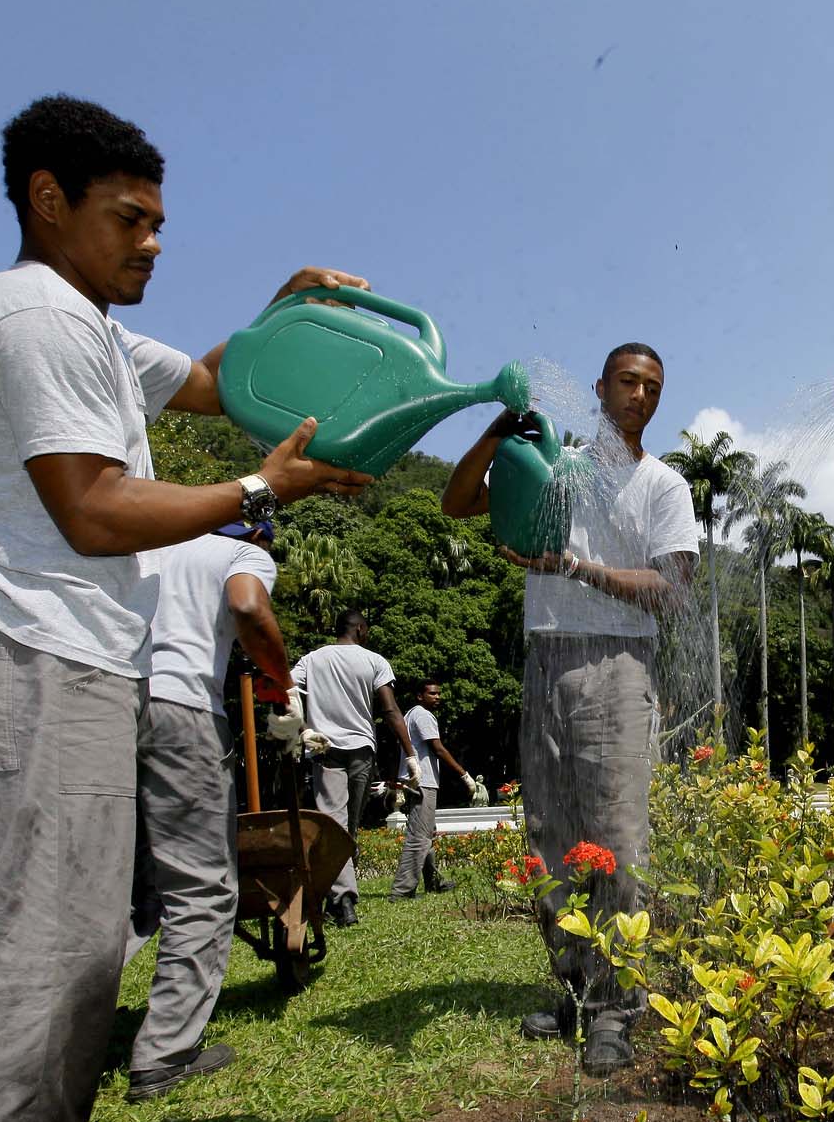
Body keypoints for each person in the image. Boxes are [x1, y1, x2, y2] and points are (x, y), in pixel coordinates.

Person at [0, 94, 371, 1122]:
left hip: (78, 665)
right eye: (130, 219)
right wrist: (259, 493)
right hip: (16, 659)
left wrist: (283, 316)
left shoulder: (100, 332)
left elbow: (219, 384)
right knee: (27, 964)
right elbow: (95, 508)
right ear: (46, 200)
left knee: (81, 956)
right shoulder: (33, 315)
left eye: (161, 223)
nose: (152, 243)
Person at [441, 344, 699, 1074]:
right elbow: (458, 500)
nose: (639, 395)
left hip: (616, 663)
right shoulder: (557, 471)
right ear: (600, 387)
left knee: (616, 835)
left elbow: (672, 590)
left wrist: (574, 568)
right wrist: (499, 427)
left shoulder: (661, 484)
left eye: (652, 385)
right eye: (628, 381)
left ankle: (616, 1005)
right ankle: (576, 989)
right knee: (548, 834)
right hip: (544, 658)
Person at [122, 518, 284, 1102]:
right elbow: (247, 607)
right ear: (257, 535)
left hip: (114, 701)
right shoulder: (244, 555)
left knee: (126, 884)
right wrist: (280, 677)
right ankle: (164, 1053)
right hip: (184, 710)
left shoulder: (150, 543)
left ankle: (62, 1038)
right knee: (203, 887)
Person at [291, 609, 419, 927]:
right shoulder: (373, 661)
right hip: (361, 750)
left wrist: (301, 727)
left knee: (334, 822)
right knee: (348, 824)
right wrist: (410, 753)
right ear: (360, 629)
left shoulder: (312, 659)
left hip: (323, 748)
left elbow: (287, 689)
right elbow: (389, 709)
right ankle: (344, 898)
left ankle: (341, 898)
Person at [389, 679, 477, 898]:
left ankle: (434, 882)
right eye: (432, 693)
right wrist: (463, 774)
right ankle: (402, 890)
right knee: (419, 836)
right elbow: (437, 748)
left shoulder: (410, 715)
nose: (437, 697)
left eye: (439, 694)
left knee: (427, 832)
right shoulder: (423, 715)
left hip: (414, 779)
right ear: (420, 696)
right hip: (424, 781)